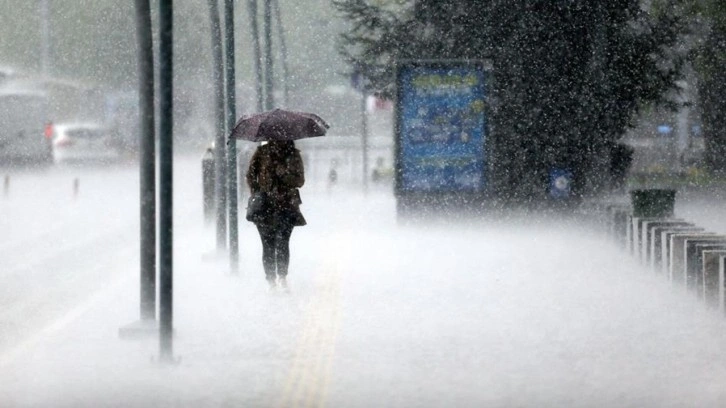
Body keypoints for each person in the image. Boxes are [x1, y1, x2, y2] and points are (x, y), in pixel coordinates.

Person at [246, 140, 306, 291]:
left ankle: (282, 277)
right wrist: (257, 193)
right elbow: (250, 175)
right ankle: (271, 280)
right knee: (268, 244)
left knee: (283, 243)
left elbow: (300, 181)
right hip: (264, 206)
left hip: (286, 205)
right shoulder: (261, 153)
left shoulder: (294, 154)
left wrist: (284, 174)